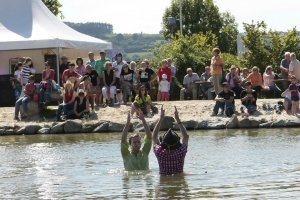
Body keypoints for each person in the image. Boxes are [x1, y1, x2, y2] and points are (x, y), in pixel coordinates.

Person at [152, 106, 189, 175]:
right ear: (177, 142)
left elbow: (154, 136)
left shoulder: (159, 153)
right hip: (179, 183)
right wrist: (178, 120)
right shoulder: (181, 152)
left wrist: (160, 119)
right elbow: (186, 137)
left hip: (163, 183)